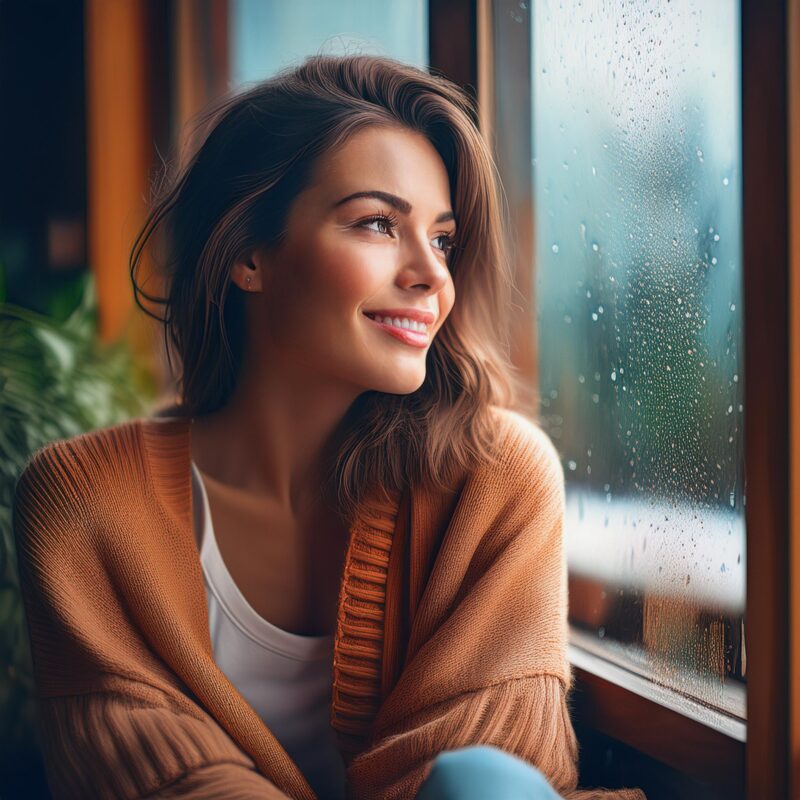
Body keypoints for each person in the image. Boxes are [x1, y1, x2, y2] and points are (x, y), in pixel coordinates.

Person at [13, 55, 646, 800]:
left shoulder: (498, 476)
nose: (432, 276)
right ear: (249, 253)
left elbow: (495, 767)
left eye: (441, 239)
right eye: (379, 224)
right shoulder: (82, 504)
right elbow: (160, 785)